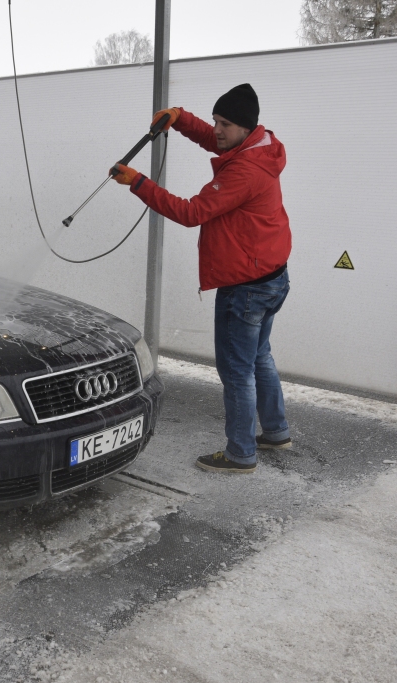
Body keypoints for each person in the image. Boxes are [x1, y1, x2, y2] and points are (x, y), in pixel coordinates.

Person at [111, 83, 292, 474]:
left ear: (244, 127)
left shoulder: (244, 170)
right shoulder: (259, 146)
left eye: (224, 123)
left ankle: (241, 453)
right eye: (214, 121)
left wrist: (139, 184)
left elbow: (191, 212)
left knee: (237, 370)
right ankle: (276, 431)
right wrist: (179, 119)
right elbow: (217, 141)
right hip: (271, 277)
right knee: (259, 357)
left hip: (246, 287)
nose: (218, 130)